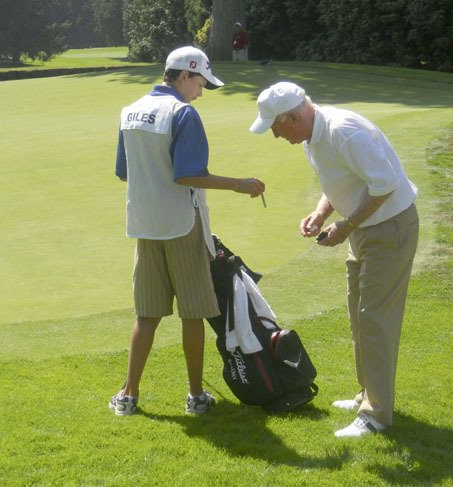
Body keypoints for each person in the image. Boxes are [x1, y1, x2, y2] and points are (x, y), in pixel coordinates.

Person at [249, 82, 419, 437]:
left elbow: (385, 184)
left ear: (294, 116)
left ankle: (376, 415)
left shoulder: (344, 131)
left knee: (375, 320)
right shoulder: (313, 135)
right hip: (364, 230)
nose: (276, 135)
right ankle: (366, 396)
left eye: (277, 127)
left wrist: (347, 224)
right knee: (359, 314)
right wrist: (321, 214)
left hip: (389, 229)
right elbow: (337, 181)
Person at [110, 46, 265, 417]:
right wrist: (238, 184)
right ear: (184, 75)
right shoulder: (183, 113)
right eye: (200, 83)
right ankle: (196, 397)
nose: (200, 91)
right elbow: (187, 175)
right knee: (192, 313)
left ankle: (128, 397)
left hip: (144, 225)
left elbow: (123, 171)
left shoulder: (129, 111)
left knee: (147, 314)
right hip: (181, 224)